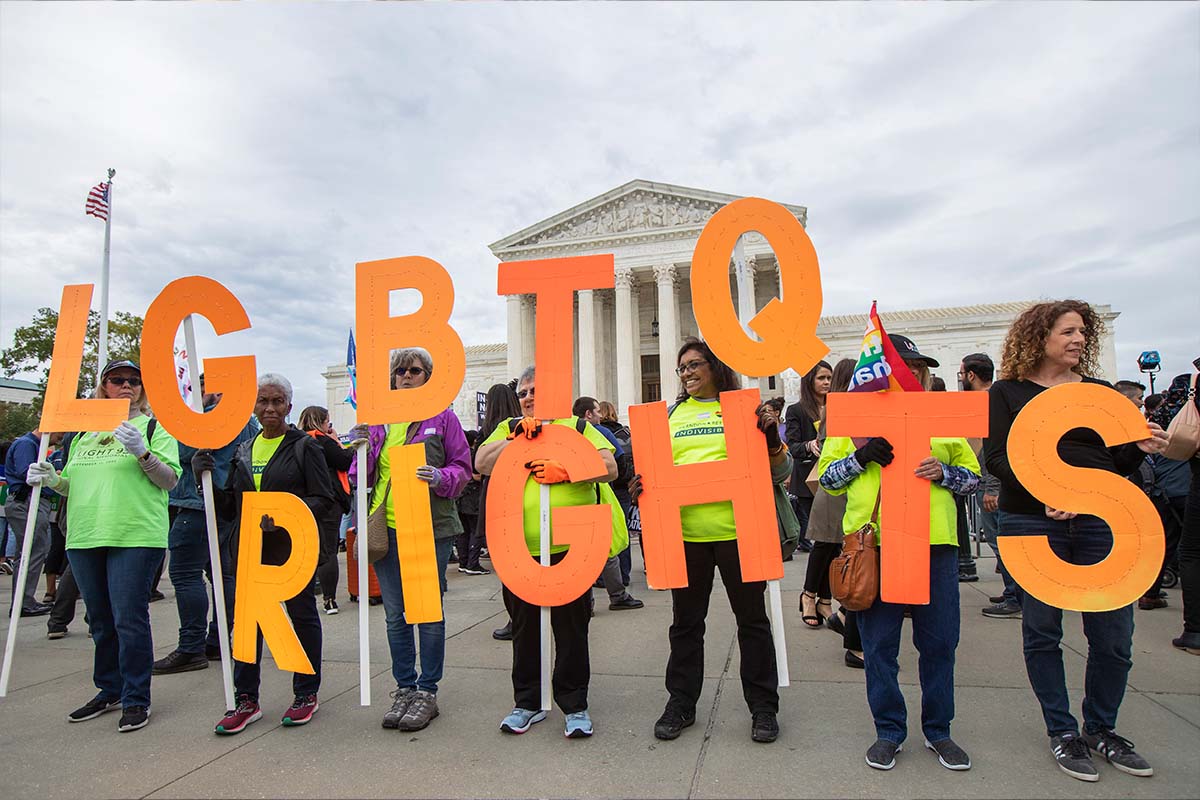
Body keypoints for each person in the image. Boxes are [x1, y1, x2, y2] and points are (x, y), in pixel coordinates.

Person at [984, 300, 1168, 782]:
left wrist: (1139, 445)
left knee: (1113, 637)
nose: (1078, 339)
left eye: (1082, 332)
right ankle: (1062, 732)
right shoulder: (1008, 392)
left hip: (1099, 522)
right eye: (1067, 331)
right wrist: (1045, 493)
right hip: (1032, 521)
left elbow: (1118, 464)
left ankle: (1102, 729)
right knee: (1043, 631)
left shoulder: (1100, 393)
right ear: (1039, 336)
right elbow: (999, 459)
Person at [820, 335, 981, 772]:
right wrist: (861, 457)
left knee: (940, 642)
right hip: (877, 547)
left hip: (934, 546)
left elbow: (972, 479)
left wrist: (944, 472)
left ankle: (939, 730)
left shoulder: (940, 418)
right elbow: (828, 480)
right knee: (879, 645)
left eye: (913, 367)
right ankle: (889, 730)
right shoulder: (852, 418)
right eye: (898, 366)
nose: (906, 373)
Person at [638, 339, 790, 745]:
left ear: (714, 366)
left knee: (753, 623)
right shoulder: (671, 417)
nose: (686, 372)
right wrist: (641, 483)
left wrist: (772, 439)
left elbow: (781, 469)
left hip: (740, 534)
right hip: (687, 538)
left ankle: (763, 707)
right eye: (681, 367)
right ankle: (681, 702)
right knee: (686, 626)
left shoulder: (742, 412)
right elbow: (654, 471)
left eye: (694, 364)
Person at [27, 360, 181, 733]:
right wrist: (51, 479)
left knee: (129, 619)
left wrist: (142, 453)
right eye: (117, 379)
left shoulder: (155, 427)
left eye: (134, 380)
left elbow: (170, 480)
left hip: (135, 535)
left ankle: (135, 698)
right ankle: (109, 689)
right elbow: (73, 484)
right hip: (85, 535)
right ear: (104, 386)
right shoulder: (84, 435)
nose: (127, 385)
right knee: (99, 620)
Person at [476, 365, 626, 739]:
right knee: (525, 629)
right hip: (520, 549)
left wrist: (568, 468)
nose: (528, 397)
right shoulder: (510, 428)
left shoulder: (577, 427)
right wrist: (517, 442)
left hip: (571, 547)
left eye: (536, 391)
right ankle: (527, 702)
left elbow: (610, 467)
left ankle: (575, 704)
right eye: (524, 392)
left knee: (571, 630)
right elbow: (481, 462)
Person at [200, 373, 334, 735]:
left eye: (277, 401)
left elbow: (326, 499)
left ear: (289, 406)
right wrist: (207, 482)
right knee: (246, 625)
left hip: (292, 550)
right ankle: (246, 699)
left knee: (302, 617)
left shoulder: (305, 446)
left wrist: (286, 516)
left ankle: (306, 692)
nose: (270, 408)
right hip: (251, 551)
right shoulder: (244, 450)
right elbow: (231, 507)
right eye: (263, 401)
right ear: (254, 406)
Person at [349, 348, 472, 733]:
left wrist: (440, 478)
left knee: (426, 611)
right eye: (399, 370)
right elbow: (358, 478)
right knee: (394, 613)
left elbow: (463, 469)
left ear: (428, 377)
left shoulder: (443, 418)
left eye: (414, 370)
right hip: (387, 527)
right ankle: (404, 687)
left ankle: (426, 691)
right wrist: (360, 450)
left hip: (428, 526)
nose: (405, 376)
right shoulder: (378, 421)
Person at [153, 377, 259, 674]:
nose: (197, 393)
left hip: (198, 503)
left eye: (202, 387)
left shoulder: (213, 416)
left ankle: (191, 646)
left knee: (185, 572)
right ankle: (216, 639)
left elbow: (183, 451)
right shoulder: (247, 421)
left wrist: (184, 424)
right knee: (222, 574)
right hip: (226, 504)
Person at [960, 353, 1021, 619]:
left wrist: (992, 487)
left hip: (993, 483)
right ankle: (1012, 592)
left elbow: (994, 449)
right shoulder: (998, 397)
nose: (962, 379)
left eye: (962, 374)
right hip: (993, 482)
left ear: (971, 375)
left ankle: (1015, 595)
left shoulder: (987, 402)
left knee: (1002, 542)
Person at [573, 396, 642, 612]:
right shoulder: (598, 432)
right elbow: (619, 462)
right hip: (599, 493)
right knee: (607, 547)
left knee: (580, 551)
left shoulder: (565, 431)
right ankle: (618, 594)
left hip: (574, 498)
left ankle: (588, 602)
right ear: (588, 414)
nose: (600, 415)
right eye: (597, 411)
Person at [1150, 371, 1200, 654]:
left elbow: (1167, 430)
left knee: (1190, 550)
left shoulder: (1190, 383)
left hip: (1186, 478)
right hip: (1185, 481)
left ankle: (1195, 631)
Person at [786, 361, 834, 627]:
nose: (826, 383)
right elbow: (791, 445)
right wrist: (810, 445)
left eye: (829, 378)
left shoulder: (839, 406)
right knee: (823, 543)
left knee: (835, 545)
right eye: (822, 378)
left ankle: (824, 600)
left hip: (835, 481)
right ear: (810, 382)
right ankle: (810, 595)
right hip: (809, 482)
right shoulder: (797, 410)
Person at [298, 405, 356, 616]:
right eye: (328, 422)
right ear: (320, 422)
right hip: (328, 501)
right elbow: (345, 459)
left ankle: (305, 594)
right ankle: (329, 599)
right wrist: (338, 441)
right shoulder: (322, 442)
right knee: (328, 550)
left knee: (307, 550)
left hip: (303, 502)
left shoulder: (296, 441)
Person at [475, 382, 522, 641]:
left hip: (496, 496)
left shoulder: (493, 431)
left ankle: (516, 617)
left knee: (507, 565)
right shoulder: (517, 425)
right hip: (517, 493)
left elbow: (478, 467)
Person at [5, 426, 62, 617]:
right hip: (28, 501)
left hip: (28, 501)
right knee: (32, 552)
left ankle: (24, 600)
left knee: (32, 551)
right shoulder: (26, 444)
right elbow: (27, 473)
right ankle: (24, 602)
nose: (59, 439)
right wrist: (53, 475)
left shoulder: (29, 444)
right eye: (58, 435)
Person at [597, 400, 636, 584]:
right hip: (623, 487)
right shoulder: (624, 431)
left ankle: (605, 577)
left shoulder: (597, 432)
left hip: (606, 487)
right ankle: (624, 575)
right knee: (623, 530)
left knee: (603, 532)